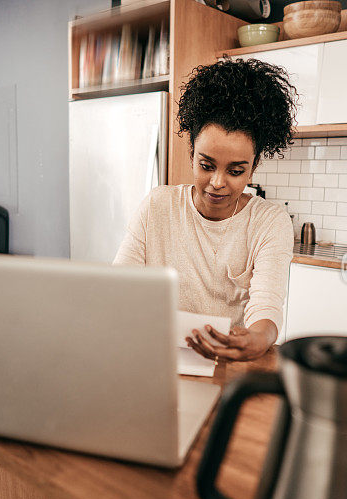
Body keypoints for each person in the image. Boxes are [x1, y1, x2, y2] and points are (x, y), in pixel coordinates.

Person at [114, 57, 297, 362]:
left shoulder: (268, 222)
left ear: (253, 169)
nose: (217, 183)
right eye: (206, 165)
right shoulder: (158, 206)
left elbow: (266, 308)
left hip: (229, 363)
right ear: (191, 155)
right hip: (157, 358)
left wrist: (258, 338)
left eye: (236, 171)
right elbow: (120, 285)